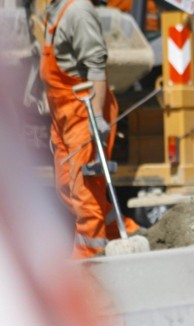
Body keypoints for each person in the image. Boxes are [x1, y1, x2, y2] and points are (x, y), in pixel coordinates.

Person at [41, 0, 141, 258]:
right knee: (67, 188)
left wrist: (97, 117)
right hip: (64, 119)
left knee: (85, 193)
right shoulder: (55, 10)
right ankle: (124, 232)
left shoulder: (78, 11)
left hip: (84, 115)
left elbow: (96, 66)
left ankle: (89, 258)